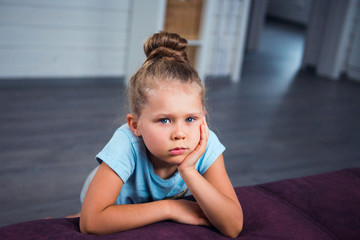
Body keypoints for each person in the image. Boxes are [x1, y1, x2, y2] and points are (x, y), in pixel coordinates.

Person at [78, 32, 243, 238]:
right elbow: (91, 222)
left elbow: (233, 226)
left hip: (148, 203)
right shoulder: (126, 143)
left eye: (191, 119)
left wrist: (188, 170)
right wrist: (170, 208)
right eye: (164, 120)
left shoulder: (204, 141)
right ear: (135, 125)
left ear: (204, 117)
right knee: (84, 217)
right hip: (113, 200)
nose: (180, 134)